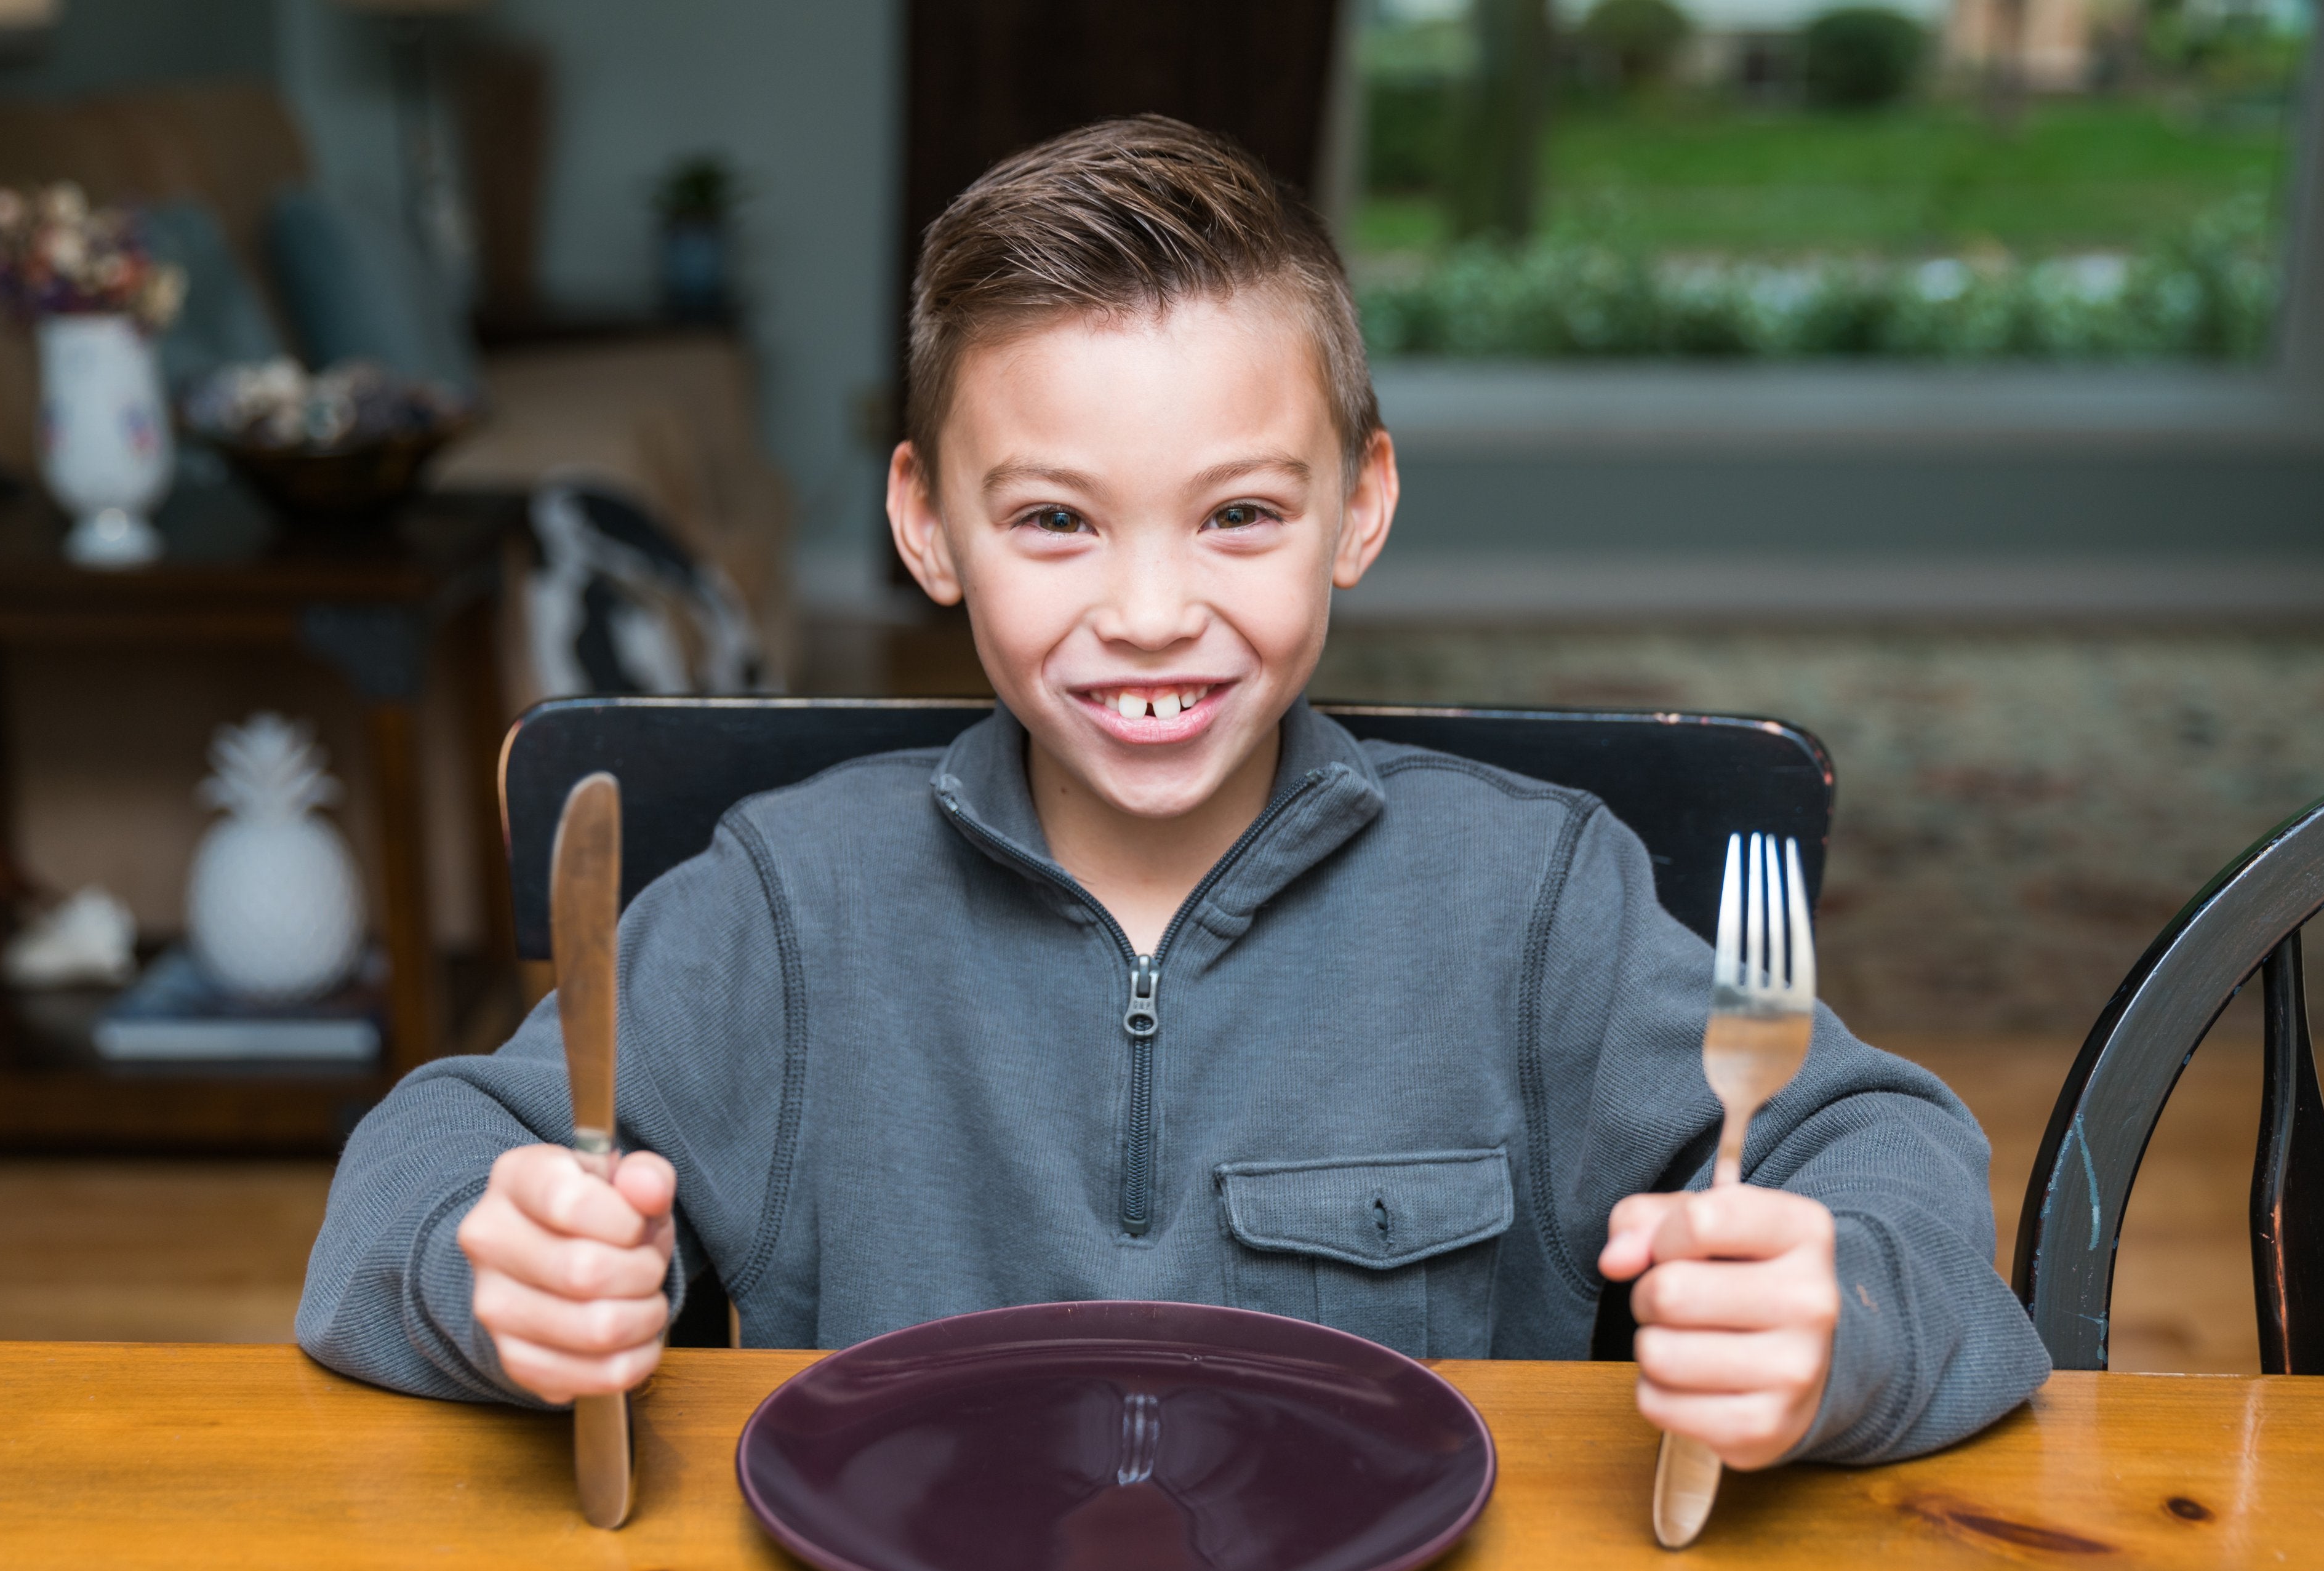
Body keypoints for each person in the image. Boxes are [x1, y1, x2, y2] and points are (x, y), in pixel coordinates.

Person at [300, 116, 2048, 1470]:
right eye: (1054, 518)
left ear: (1359, 505)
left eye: (1239, 515)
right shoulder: (786, 903)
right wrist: (497, 1270)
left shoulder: (1534, 903)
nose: (1149, 614)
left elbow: (1880, 1155)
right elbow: (421, 1172)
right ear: (925, 525)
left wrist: (1838, 1320)